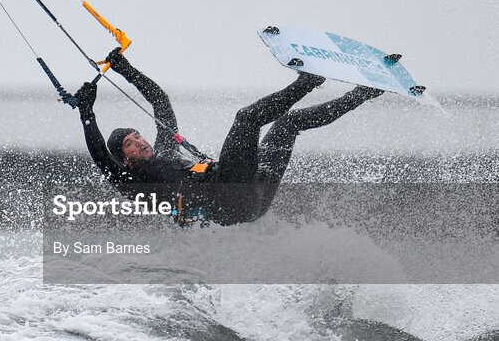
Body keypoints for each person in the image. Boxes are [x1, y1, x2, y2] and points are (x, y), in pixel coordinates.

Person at [74, 49, 384, 225]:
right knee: (246, 119)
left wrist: (126, 70)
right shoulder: (133, 182)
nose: (140, 141)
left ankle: (362, 95)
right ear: (125, 158)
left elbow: (160, 101)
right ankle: (308, 82)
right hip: (227, 197)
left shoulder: (165, 149)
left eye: (137, 135)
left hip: (258, 192)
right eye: (130, 143)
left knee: (288, 124)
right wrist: (87, 113)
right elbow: (101, 154)